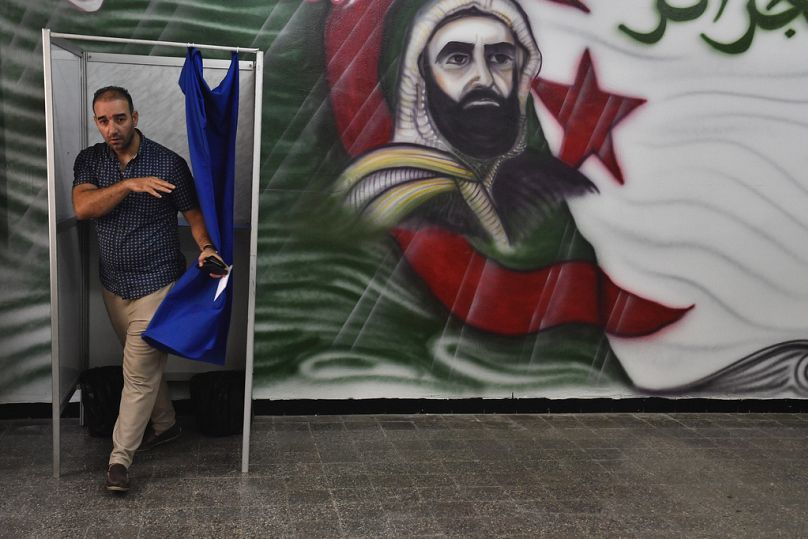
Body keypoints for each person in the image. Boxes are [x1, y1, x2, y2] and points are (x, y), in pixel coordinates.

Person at [337, 0, 596, 257]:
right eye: (458, 58)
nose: (484, 78)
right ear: (420, 79)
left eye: (499, 58)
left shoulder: (550, 186)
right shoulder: (387, 202)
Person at [73, 86, 225, 492]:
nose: (111, 128)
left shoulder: (169, 164)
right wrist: (127, 185)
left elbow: (195, 218)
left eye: (119, 118)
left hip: (158, 284)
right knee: (136, 363)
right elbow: (83, 208)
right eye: (103, 120)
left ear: (135, 117)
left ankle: (119, 461)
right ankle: (167, 425)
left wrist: (206, 246)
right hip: (113, 286)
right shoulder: (90, 160)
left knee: (138, 375)